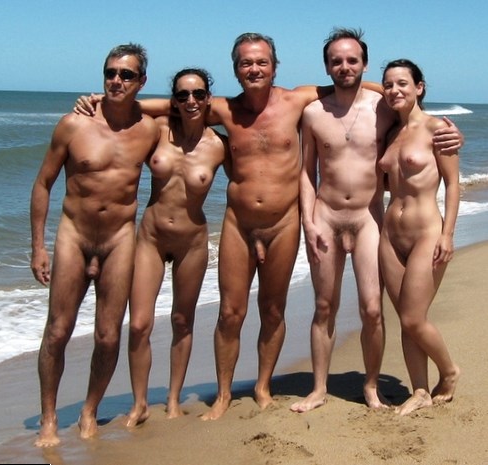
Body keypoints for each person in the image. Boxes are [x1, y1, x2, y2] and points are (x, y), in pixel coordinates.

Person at [74, 32, 463, 421]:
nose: (254, 68)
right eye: (246, 62)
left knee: (306, 310)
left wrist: (440, 126)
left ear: (275, 67)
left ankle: (288, 387)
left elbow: (379, 94)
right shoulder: (227, 108)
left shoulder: (303, 101)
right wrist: (109, 102)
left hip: (304, 222)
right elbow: (177, 104)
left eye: (261, 61)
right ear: (236, 69)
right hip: (246, 222)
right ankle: (228, 394)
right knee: (235, 312)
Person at [290, 28, 463, 413]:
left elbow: (417, 119)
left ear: (363, 64)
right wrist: (308, 222)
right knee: (324, 306)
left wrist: (455, 137)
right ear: (327, 66)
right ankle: (319, 389)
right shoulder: (313, 113)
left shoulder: (383, 109)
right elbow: (306, 172)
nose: (345, 66)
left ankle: (372, 386)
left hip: (371, 219)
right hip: (327, 216)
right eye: (336, 61)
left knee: (374, 309)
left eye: (352, 60)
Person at [30, 43, 159, 447]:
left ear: (142, 81)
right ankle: (49, 417)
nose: (116, 80)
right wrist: (38, 246)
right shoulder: (74, 123)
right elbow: (43, 183)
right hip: (74, 235)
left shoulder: (149, 129)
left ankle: (89, 411)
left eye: (127, 75)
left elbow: (190, 110)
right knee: (58, 331)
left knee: (108, 335)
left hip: (119, 239)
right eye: (110, 73)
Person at [125, 68, 228, 427]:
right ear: (173, 100)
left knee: (182, 321)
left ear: (208, 98)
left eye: (198, 94)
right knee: (139, 324)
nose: (191, 101)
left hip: (192, 242)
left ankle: (172, 400)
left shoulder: (219, 145)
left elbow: (250, 183)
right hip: (151, 238)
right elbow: (128, 107)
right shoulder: (157, 131)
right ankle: (139, 403)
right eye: (182, 95)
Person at [378, 59, 460, 415]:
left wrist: (448, 234)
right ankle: (420, 390)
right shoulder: (389, 134)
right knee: (405, 320)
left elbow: (453, 184)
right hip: (390, 236)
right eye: (388, 84)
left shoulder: (437, 128)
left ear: (419, 88)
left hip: (427, 233)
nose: (394, 90)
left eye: (403, 83)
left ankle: (449, 371)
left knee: (414, 317)